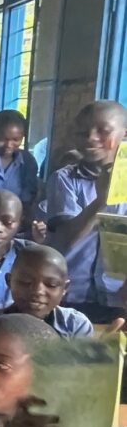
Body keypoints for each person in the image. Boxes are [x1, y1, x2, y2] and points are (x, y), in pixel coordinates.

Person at [44, 101, 127, 323]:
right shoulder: (64, 179)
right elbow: (64, 241)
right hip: (70, 296)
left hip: (119, 300)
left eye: (103, 131)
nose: (90, 137)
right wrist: (101, 201)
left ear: (124, 133)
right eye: (82, 132)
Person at [0, 245, 94, 339]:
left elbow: (80, 370)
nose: (37, 291)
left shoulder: (74, 325)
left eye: (51, 285)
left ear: (65, 288)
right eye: (26, 282)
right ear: (9, 281)